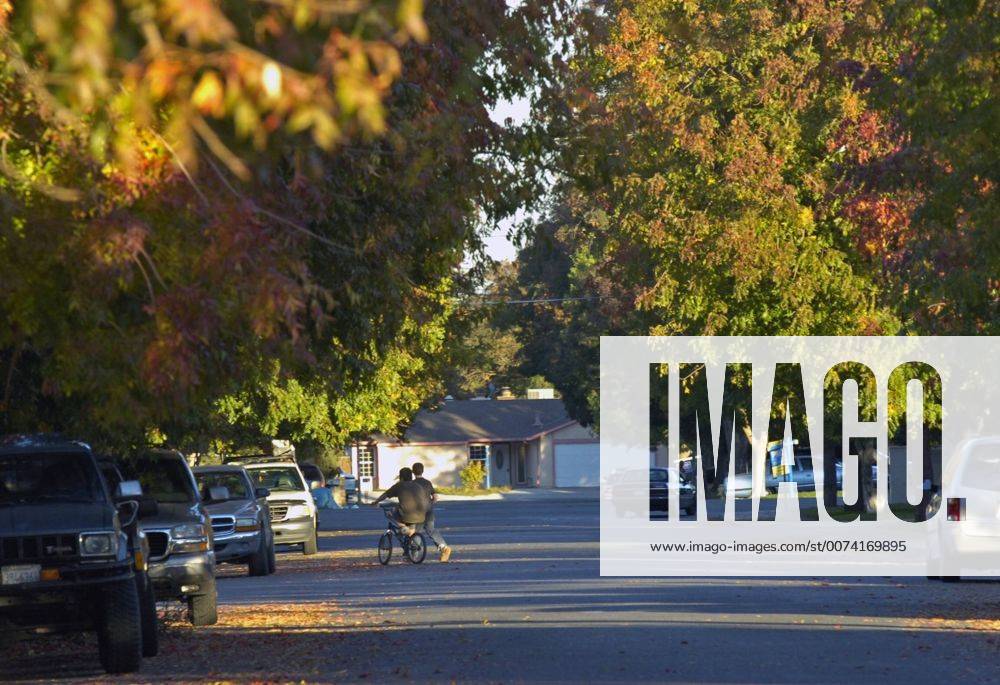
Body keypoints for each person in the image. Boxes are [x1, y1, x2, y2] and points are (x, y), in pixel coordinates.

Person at [412, 462, 452, 562]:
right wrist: (430, 504)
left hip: (417, 512)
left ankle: (414, 556)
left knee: (416, 533)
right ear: (423, 471)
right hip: (428, 511)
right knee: (431, 530)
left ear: (413, 472)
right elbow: (435, 497)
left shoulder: (411, 484)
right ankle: (444, 548)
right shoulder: (428, 483)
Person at [371, 467, 428, 534]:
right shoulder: (418, 486)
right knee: (411, 535)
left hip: (408, 516)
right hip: (422, 516)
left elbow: (385, 495)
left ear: (401, 478)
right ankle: (410, 536)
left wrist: (376, 502)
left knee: (389, 513)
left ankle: (403, 527)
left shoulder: (399, 485)